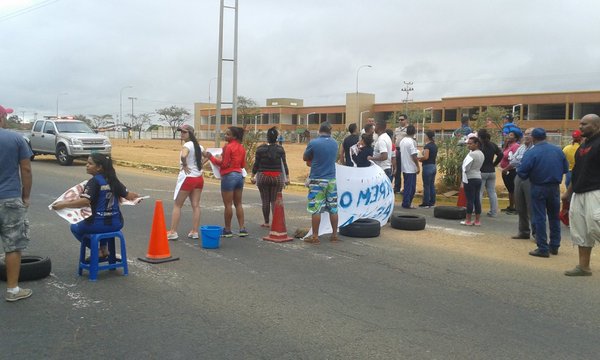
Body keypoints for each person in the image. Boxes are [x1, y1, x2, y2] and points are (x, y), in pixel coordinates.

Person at [52, 153, 140, 260]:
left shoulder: (94, 182)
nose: (87, 165)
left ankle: (97, 250)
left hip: (95, 224)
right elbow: (129, 196)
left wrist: (63, 204)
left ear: (99, 167)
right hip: (116, 224)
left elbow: (85, 201)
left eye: (90, 163)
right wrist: (138, 197)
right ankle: (104, 249)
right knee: (104, 228)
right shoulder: (114, 181)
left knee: (74, 227)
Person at [517, 128, 568, 258]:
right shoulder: (558, 150)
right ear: (546, 137)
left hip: (538, 186)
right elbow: (565, 169)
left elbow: (522, 172)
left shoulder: (532, 152)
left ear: (533, 138)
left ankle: (542, 247)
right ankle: (555, 245)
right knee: (554, 216)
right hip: (554, 187)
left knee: (539, 216)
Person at [0, 105, 33, 302]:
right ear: (2, 118)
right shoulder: (15, 139)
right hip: (10, 198)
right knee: (13, 245)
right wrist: (26, 196)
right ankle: (13, 290)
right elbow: (26, 170)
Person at [562, 114, 600, 276]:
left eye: (584, 124)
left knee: (596, 226)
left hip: (596, 191)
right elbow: (577, 171)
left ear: (596, 125)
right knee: (580, 230)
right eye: (580, 124)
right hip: (578, 192)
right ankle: (583, 267)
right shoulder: (583, 146)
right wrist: (568, 193)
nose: (580, 127)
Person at [167, 125, 206, 240]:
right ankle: (194, 231)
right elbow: (208, 155)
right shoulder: (200, 146)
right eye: (181, 132)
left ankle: (173, 231)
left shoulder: (187, 145)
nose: (182, 134)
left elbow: (184, 155)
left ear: (191, 133)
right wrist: (201, 164)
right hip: (198, 178)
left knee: (177, 205)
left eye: (184, 132)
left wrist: (184, 164)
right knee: (196, 205)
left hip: (187, 178)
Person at [207, 126, 248, 238]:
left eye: (228, 134)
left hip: (228, 176)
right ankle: (242, 228)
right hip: (239, 176)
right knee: (238, 203)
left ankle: (228, 229)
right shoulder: (241, 148)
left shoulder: (227, 147)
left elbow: (224, 165)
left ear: (234, 136)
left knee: (228, 204)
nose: (225, 136)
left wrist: (212, 158)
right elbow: (243, 165)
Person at [303, 122, 339, 244]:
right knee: (333, 209)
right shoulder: (335, 143)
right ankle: (334, 235)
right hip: (331, 180)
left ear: (319, 130)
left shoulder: (314, 143)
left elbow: (305, 157)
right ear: (330, 131)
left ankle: (315, 236)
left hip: (317, 179)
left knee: (316, 209)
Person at [251, 127, 290, 228]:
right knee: (274, 201)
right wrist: (287, 177)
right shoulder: (280, 149)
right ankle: (275, 222)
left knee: (265, 200)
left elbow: (256, 164)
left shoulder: (260, 149)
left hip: (262, 177)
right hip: (277, 177)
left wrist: (252, 175)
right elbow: (284, 164)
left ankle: (266, 222)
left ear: (267, 137)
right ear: (277, 138)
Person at [506, 128, 536, 240]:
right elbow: (513, 161)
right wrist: (520, 161)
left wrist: (520, 161)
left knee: (531, 206)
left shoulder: (535, 148)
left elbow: (523, 161)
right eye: (526, 134)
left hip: (530, 178)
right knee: (520, 206)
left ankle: (536, 233)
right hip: (519, 176)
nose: (527, 136)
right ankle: (523, 231)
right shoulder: (522, 147)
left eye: (530, 134)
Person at [477, 129, 503, 217]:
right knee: (492, 192)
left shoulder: (479, 146)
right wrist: (494, 164)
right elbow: (501, 154)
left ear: (479, 137)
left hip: (481, 171)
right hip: (491, 171)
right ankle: (494, 212)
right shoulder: (493, 145)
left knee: (479, 192)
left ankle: (477, 211)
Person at [461, 136, 484, 226]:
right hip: (478, 177)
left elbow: (466, 167)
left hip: (470, 178)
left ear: (476, 144)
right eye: (468, 143)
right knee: (476, 199)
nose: (468, 145)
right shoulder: (481, 153)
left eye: (470, 144)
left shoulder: (471, 154)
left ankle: (468, 220)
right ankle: (477, 220)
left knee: (470, 200)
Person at [499, 130, 522, 214]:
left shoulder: (515, 146)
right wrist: (505, 144)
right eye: (508, 135)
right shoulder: (508, 146)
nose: (508, 136)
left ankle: (517, 208)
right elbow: (502, 154)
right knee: (510, 190)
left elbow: (514, 159)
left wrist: (507, 168)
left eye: (511, 135)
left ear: (515, 138)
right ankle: (511, 206)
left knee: (514, 189)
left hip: (511, 171)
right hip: (505, 171)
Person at [399, 125, 420, 209]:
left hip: (404, 166)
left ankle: (406, 202)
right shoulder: (412, 142)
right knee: (411, 187)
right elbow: (414, 155)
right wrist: (418, 166)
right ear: (414, 132)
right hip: (411, 167)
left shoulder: (402, 141)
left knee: (407, 186)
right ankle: (407, 203)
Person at [418, 130, 437, 208]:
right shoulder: (435, 146)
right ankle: (432, 202)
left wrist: (420, 159)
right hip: (433, 166)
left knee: (426, 185)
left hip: (427, 166)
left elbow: (426, 157)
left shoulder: (427, 146)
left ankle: (426, 202)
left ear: (427, 137)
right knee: (432, 185)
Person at [393, 115, 408, 193]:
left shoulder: (409, 129)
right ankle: (397, 188)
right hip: (397, 150)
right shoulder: (396, 129)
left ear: (406, 120)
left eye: (402, 119)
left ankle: (405, 188)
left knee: (405, 169)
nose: (400, 121)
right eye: (399, 120)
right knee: (397, 169)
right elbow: (394, 139)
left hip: (405, 151)